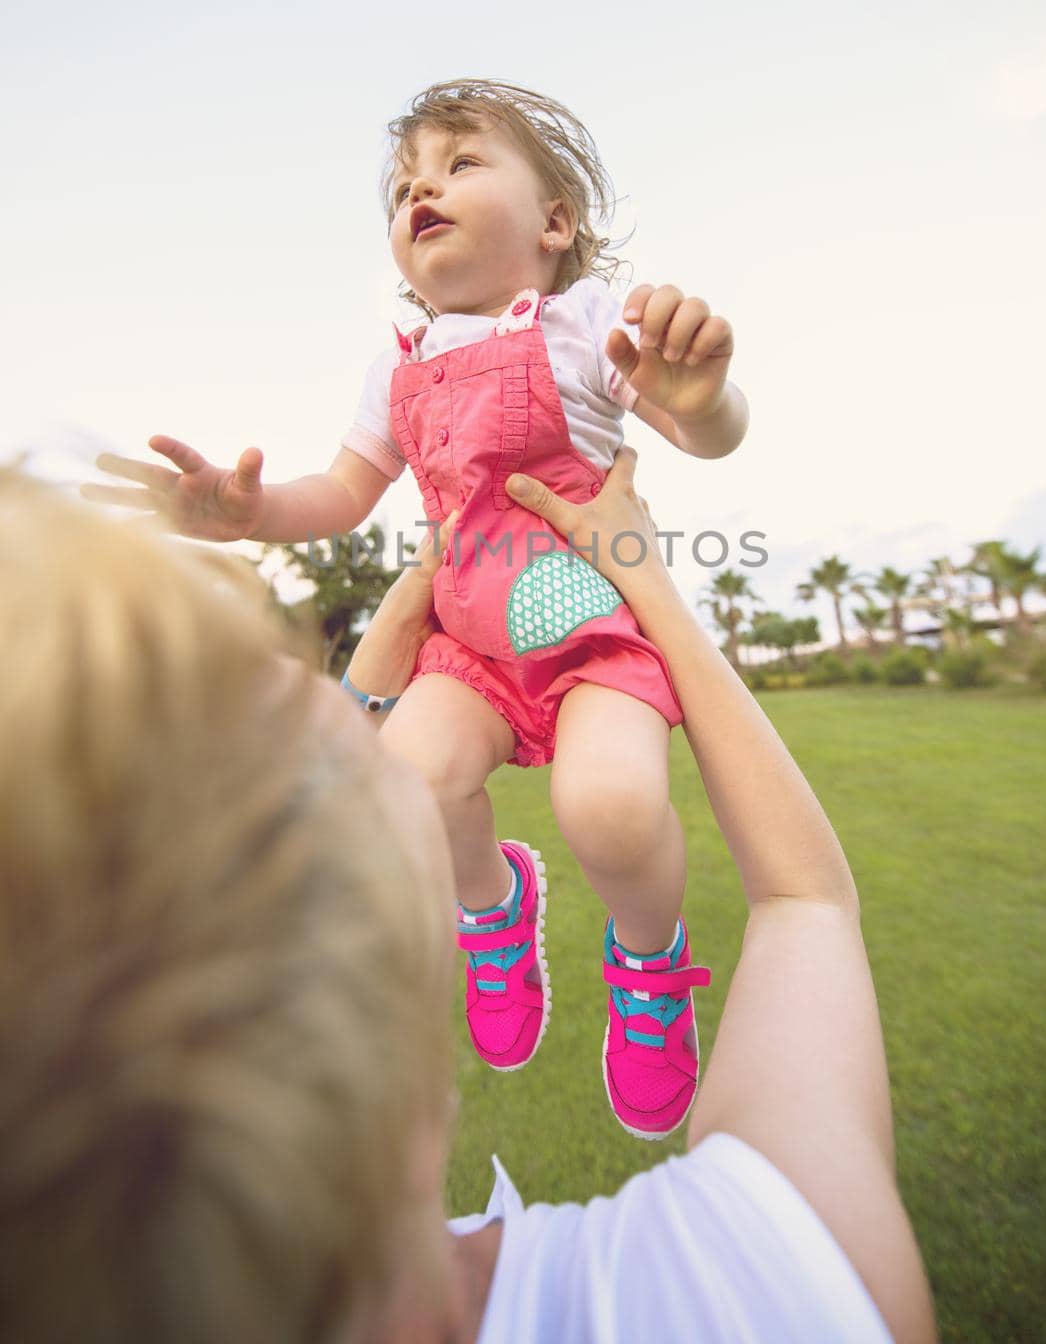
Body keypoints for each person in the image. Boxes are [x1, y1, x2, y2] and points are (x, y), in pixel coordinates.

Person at [1, 456, 938, 1343]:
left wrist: (405, 609)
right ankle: (632, 957)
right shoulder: (752, 1292)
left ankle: (506, 908)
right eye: (296, 710)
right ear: (365, 958)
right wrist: (646, 581)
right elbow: (802, 898)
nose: (347, 698)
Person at [83, 78, 751, 1139]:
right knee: (411, 785)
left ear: (554, 223)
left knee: (612, 808)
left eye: (459, 166)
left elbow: (706, 434)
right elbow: (342, 495)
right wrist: (248, 515)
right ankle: (495, 910)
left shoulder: (584, 324)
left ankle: (649, 968)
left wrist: (701, 398)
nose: (420, 192)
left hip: (594, 637)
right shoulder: (396, 370)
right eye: (404, 186)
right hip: (469, 652)